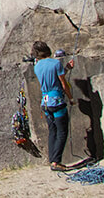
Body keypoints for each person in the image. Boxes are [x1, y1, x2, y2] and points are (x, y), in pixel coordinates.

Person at [32, 40, 75, 170]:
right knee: (62, 131)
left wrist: (66, 68)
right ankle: (56, 161)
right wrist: (71, 98)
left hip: (45, 102)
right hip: (56, 100)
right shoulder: (56, 63)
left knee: (52, 131)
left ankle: (52, 160)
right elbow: (63, 83)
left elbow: (52, 78)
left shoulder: (37, 66)